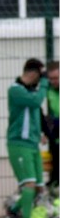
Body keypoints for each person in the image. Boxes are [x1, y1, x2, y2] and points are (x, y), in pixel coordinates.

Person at [7, 58, 49, 218]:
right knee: (29, 185)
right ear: (33, 73)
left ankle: (13, 210)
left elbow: (37, 113)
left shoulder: (31, 92)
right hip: (19, 144)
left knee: (39, 187)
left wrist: (42, 133)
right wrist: (45, 84)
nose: (42, 80)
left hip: (32, 145)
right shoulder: (16, 90)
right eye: (41, 76)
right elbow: (35, 102)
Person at [43, 61, 58, 189]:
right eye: (51, 78)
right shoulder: (49, 90)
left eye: (56, 78)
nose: (54, 81)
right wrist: (45, 132)